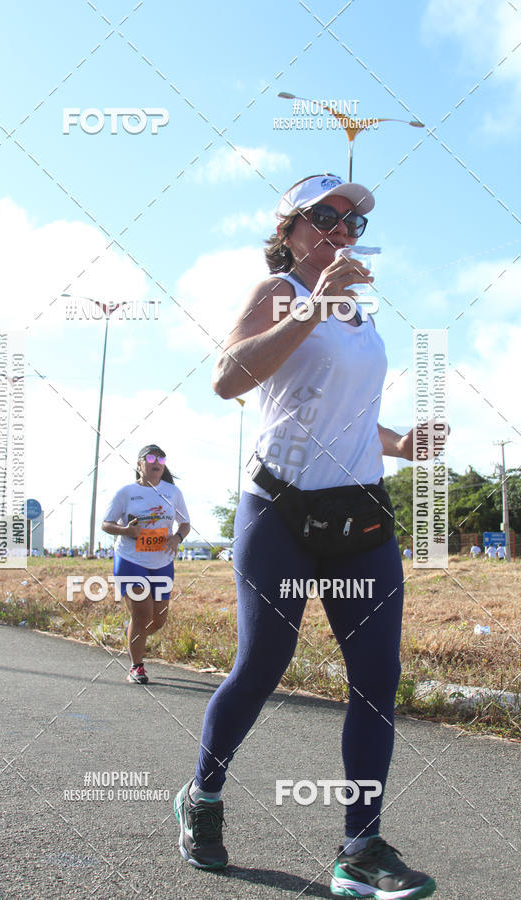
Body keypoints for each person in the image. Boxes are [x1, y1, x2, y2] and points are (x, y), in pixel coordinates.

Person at [174, 174, 437, 899]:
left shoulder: (361, 312)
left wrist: (403, 443)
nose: (341, 228)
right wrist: (312, 305)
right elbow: (228, 379)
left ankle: (360, 847)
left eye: (352, 220)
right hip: (280, 510)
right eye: (325, 215)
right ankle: (202, 797)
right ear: (289, 228)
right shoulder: (280, 293)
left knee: (378, 680)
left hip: (359, 513)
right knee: (264, 664)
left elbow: (345, 418)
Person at [102, 444, 190, 684]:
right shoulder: (126, 492)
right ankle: (136, 667)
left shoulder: (173, 492)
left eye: (161, 458)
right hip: (131, 560)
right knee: (142, 615)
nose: (156, 461)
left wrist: (177, 538)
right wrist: (125, 531)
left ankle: (134, 636)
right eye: (150, 457)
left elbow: (185, 524)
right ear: (139, 464)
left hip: (162, 562)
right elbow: (106, 524)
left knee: (158, 620)